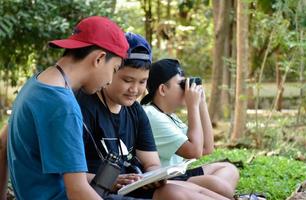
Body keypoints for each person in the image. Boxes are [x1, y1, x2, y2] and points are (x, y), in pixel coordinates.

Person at [76, 33, 230, 200]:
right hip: (98, 191)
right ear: (111, 70)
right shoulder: (83, 108)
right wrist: (110, 181)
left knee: (206, 188)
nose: (134, 89)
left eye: (142, 82)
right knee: (174, 193)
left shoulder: (136, 111)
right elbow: (68, 177)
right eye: (127, 80)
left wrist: (151, 178)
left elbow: (152, 163)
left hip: (131, 186)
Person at [6, 16, 130, 200]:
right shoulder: (63, 106)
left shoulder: (34, 85)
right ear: (99, 58)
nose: (110, 81)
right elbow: (78, 192)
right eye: (114, 69)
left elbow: (2, 146)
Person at [141, 59, 240, 199]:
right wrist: (192, 106)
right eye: (181, 84)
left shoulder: (170, 116)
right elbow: (195, 151)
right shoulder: (152, 114)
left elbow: (206, 148)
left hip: (179, 176)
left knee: (229, 169)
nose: (186, 89)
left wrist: (201, 104)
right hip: (166, 181)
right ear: (163, 89)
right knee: (218, 185)